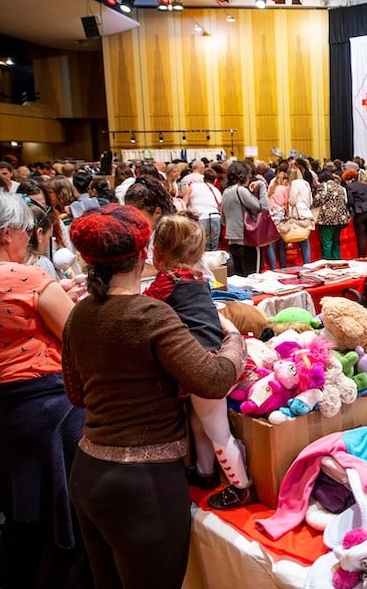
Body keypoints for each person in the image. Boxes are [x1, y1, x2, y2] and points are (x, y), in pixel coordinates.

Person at [63, 203, 246, 588]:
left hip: (87, 474)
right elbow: (212, 380)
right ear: (143, 254)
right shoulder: (150, 314)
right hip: (143, 487)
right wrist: (233, 339)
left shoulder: (79, 314)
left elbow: (76, 395)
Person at [0, 189, 87, 589]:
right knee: (63, 519)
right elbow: (78, 338)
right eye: (28, 231)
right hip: (47, 408)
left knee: (22, 515)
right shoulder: (27, 277)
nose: (31, 239)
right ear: (8, 232)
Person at [144, 212, 255, 509]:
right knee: (200, 421)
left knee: (217, 430)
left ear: (160, 251)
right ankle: (205, 472)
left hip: (201, 365)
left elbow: (145, 308)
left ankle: (240, 486)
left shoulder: (166, 281)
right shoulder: (199, 279)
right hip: (217, 357)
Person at [221, 161, 268, 276]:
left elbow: (223, 220)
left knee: (240, 278)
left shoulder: (226, 192)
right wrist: (261, 185)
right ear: (243, 175)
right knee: (254, 277)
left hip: (232, 240)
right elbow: (264, 207)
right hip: (247, 240)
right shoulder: (241, 191)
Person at [312, 169, 351, 260]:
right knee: (336, 241)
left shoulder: (323, 186)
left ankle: (327, 262)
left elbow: (317, 202)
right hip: (340, 218)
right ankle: (337, 261)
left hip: (327, 219)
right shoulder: (340, 187)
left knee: (327, 242)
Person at [182, 164, 223, 251]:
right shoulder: (216, 190)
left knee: (199, 247)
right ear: (215, 180)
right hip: (215, 217)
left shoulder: (192, 186)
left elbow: (184, 203)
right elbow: (220, 205)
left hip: (199, 217)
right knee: (213, 248)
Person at [342, 167, 367, 257]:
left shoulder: (349, 187)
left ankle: (362, 257)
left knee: (362, 236)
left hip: (360, 212)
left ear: (348, 179)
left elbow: (350, 202)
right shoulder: (364, 185)